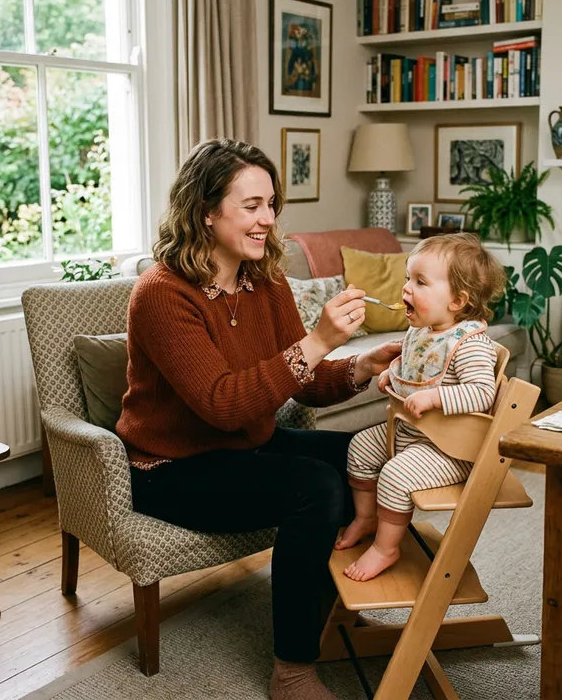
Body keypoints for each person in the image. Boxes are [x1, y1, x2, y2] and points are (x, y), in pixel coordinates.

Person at [116, 139, 401, 700]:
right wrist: (319, 340)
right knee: (316, 486)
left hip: (245, 447)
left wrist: (361, 366)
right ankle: (292, 671)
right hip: (169, 468)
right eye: (251, 206)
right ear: (206, 210)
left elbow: (302, 380)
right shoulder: (161, 294)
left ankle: (332, 609)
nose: (268, 219)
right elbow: (223, 405)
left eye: (271, 204)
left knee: (367, 458)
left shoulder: (263, 280)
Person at [333, 234, 507, 582]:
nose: (406, 288)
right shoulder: (423, 332)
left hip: (449, 449)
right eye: (407, 278)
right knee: (359, 448)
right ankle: (366, 518)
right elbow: (413, 367)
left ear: (457, 300)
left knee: (395, 476)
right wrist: (392, 374)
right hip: (411, 433)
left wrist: (436, 398)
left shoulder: (469, 345)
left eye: (420, 282)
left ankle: (386, 548)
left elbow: (482, 393)